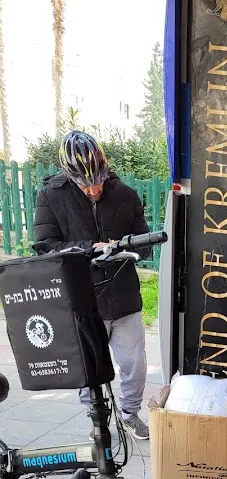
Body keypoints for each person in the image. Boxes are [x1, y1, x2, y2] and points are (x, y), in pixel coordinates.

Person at [33, 130, 151, 440]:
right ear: (70, 176)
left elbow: (145, 243)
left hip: (124, 296)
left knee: (134, 364)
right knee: (89, 367)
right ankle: (97, 420)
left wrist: (125, 247)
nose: (94, 189)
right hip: (83, 298)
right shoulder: (51, 196)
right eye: (85, 185)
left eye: (97, 182)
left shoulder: (126, 194)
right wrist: (90, 248)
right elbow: (46, 246)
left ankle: (130, 414)